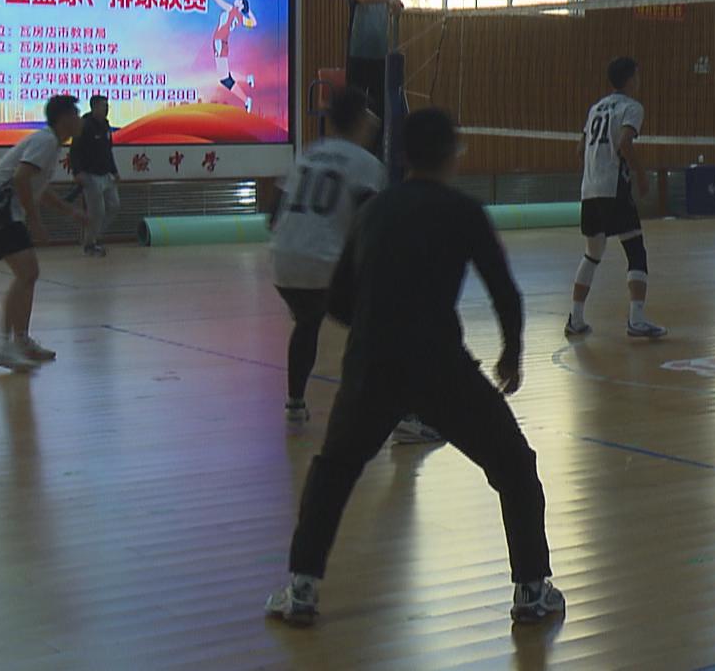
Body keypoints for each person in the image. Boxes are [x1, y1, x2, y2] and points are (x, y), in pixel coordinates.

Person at [265, 107, 562, 627]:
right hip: (440, 365)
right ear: (452, 154)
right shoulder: (464, 211)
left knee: (333, 472)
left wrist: (374, 328)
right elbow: (504, 291)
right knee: (514, 467)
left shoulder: (373, 211)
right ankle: (533, 592)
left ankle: (302, 590)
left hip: (371, 364)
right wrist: (511, 353)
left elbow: (338, 299)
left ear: (403, 155)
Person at [268, 86, 409, 432]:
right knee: (388, 324)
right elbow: (369, 225)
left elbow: (272, 216)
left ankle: (295, 406)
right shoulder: (366, 164)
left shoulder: (308, 153)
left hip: (283, 263)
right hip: (325, 266)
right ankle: (404, 417)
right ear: (363, 119)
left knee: (307, 322)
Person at [0, 95, 88, 371]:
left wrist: (69, 212)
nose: (80, 120)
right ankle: (4, 346)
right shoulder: (45, 141)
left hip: (2, 212)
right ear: (64, 119)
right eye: (76, 114)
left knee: (28, 274)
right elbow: (21, 178)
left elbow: (39, 188)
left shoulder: (51, 144)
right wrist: (34, 221)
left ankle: (21, 341)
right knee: (27, 273)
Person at [570, 56, 665, 339]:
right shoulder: (631, 108)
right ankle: (637, 319)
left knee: (592, 254)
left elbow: (580, 148)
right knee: (635, 251)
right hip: (613, 189)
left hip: (589, 190)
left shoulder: (595, 108)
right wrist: (641, 174)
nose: (639, 80)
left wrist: (596, 168)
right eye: (637, 75)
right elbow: (624, 142)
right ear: (631, 79)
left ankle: (576, 319)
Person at [345, 0, 404, 118]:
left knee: (379, 105)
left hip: (380, 57)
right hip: (358, 57)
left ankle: (378, 135)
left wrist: (396, 7)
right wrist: (386, 0)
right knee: (355, 104)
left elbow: (395, 10)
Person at [69, 94, 121, 257]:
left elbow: (108, 151)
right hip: (90, 175)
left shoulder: (105, 125)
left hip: (106, 174)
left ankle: (94, 236)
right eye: (103, 106)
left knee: (114, 206)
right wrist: (77, 172)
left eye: (107, 106)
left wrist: (114, 171)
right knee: (97, 211)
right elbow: (74, 151)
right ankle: (90, 244)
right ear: (94, 107)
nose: (106, 109)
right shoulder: (84, 125)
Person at [209, 0, 256, 113]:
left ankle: (246, 98)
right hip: (221, 42)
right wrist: (248, 11)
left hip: (220, 41)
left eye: (239, 0)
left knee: (224, 78)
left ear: (241, 5)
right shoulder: (240, 17)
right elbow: (254, 23)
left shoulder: (233, 10)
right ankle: (247, 82)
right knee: (225, 76)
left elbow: (220, 3)